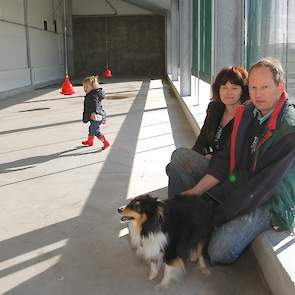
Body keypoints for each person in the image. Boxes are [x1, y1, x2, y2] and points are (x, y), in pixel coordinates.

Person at [182, 57, 295, 264]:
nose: (258, 93)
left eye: (265, 87)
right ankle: (180, 222)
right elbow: (226, 156)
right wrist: (195, 192)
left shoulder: (288, 129)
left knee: (219, 251)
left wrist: (216, 216)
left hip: (271, 200)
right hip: (242, 182)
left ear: (280, 87)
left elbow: (261, 188)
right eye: (253, 87)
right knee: (183, 167)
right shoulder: (248, 111)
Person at [166, 66, 249, 198]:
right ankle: (184, 207)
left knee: (179, 157)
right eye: (224, 87)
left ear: (242, 91)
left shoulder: (246, 115)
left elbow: (236, 153)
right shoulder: (215, 108)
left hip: (227, 170)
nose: (229, 92)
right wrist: (200, 156)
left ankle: (178, 208)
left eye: (234, 88)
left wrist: (212, 157)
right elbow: (202, 141)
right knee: (175, 167)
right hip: (210, 162)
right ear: (218, 89)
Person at [81, 76, 110, 150]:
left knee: (95, 131)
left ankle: (105, 142)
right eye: (84, 87)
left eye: (87, 87)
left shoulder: (93, 95)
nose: (85, 89)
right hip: (94, 115)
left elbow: (95, 104)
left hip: (96, 116)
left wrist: (94, 112)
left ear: (93, 87)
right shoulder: (92, 94)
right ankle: (90, 141)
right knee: (91, 128)